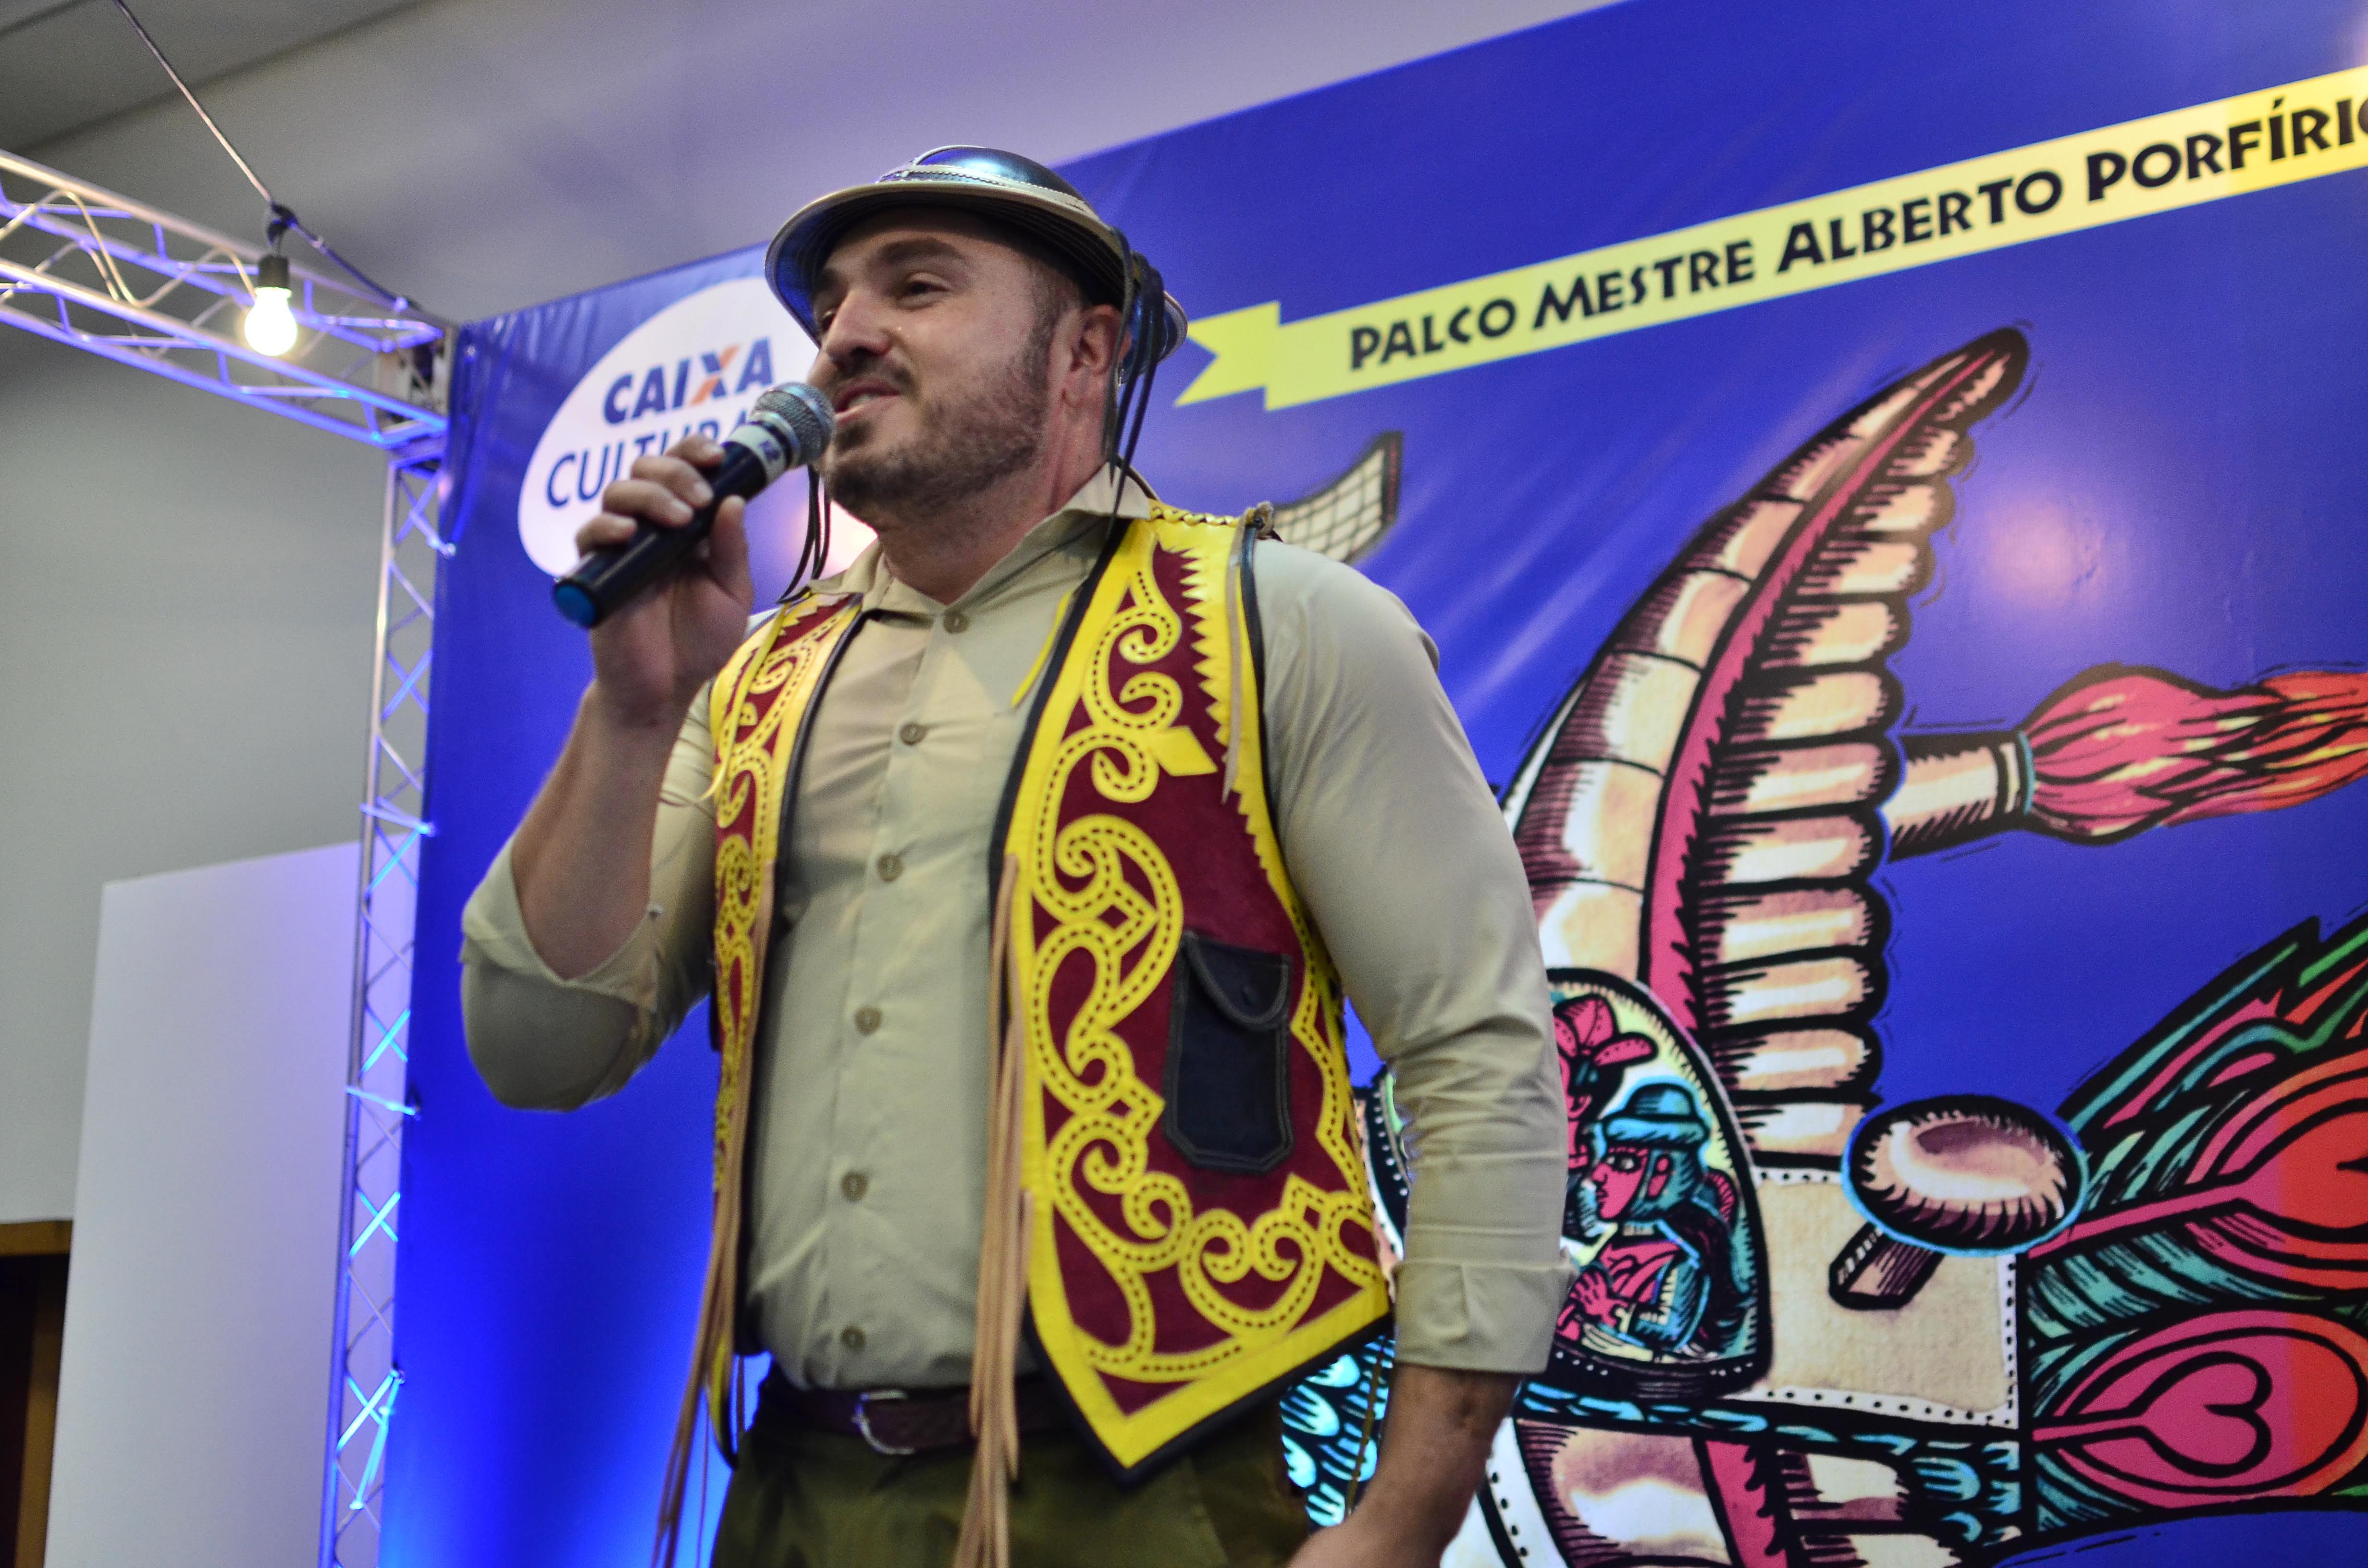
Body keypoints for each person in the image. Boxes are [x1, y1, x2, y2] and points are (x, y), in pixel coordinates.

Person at [459, 147, 1566, 1568]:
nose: (845, 336)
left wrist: (1407, 1518)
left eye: (917, 288)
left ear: (1084, 352)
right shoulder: (746, 680)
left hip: (1144, 1499)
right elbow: (534, 1053)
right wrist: (632, 712)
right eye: (831, 308)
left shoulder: (1285, 623)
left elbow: (1475, 1053)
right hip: (786, 1492)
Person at [1562, 1083, 1747, 1361]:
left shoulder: (1681, 1257)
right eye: (1606, 1160)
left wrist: (1608, 1308)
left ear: (1660, 1175)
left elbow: (1671, 1329)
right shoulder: (1620, 1242)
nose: (1598, 1175)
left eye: (1622, 1163)